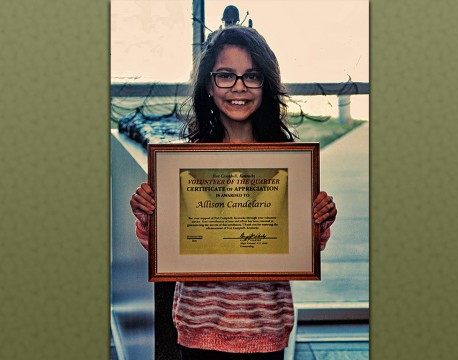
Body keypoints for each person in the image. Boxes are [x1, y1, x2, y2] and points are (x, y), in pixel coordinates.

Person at [130, 26, 337, 360]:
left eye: (251, 75)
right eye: (226, 75)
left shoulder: (287, 163)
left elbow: (304, 247)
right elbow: (163, 247)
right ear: (209, 87)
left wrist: (319, 220)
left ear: (264, 84)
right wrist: (148, 215)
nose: (239, 87)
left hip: (265, 328)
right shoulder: (184, 164)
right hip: (199, 328)